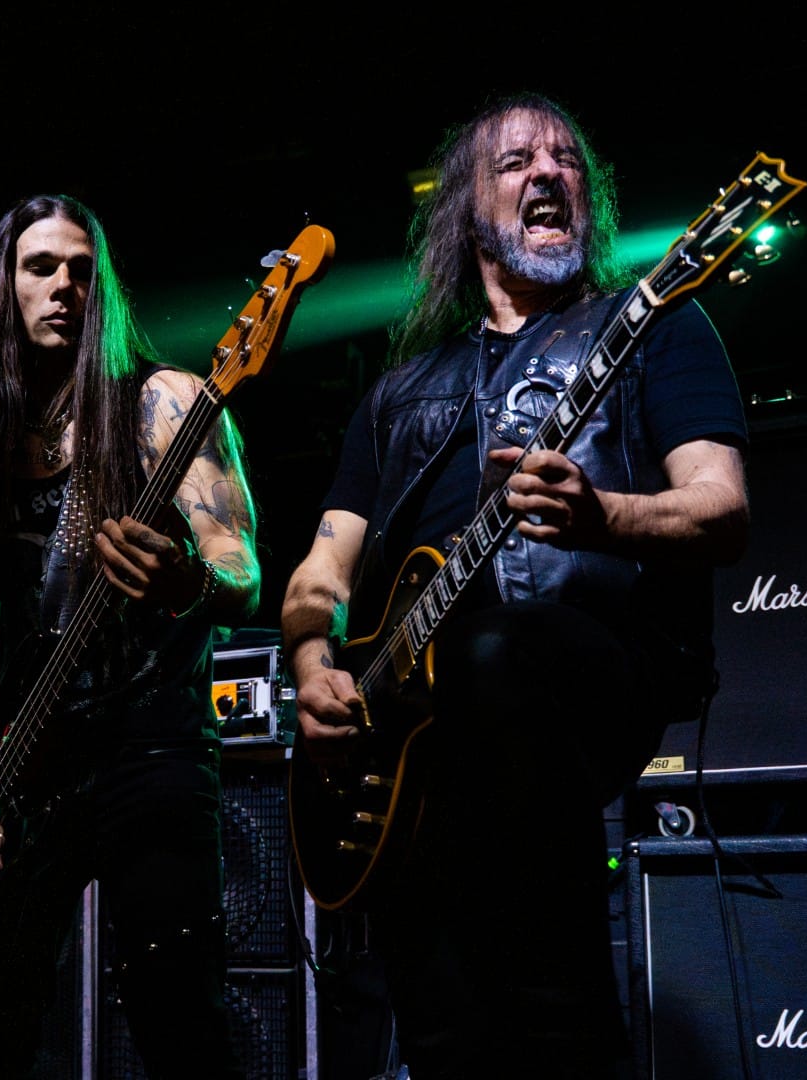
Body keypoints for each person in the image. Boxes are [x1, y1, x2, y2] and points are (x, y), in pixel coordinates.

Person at [280, 93, 751, 1077]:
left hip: (585, 661)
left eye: (566, 159)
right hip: (414, 727)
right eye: (516, 161)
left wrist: (604, 516)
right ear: (467, 211)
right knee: (441, 1015)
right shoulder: (400, 391)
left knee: (496, 652)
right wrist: (316, 663)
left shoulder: (651, 325)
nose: (547, 172)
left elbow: (720, 508)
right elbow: (321, 568)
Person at [0, 193, 257, 1079]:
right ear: (6, 287)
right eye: (41, 266)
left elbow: (242, 572)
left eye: (81, 270)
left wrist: (185, 580)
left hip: (153, 747)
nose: (64, 285)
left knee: (178, 1021)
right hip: (29, 770)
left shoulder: (163, 401)